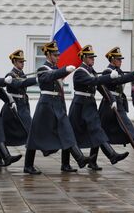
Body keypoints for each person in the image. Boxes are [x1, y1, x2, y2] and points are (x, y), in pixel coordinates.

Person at [24, 41, 92, 174]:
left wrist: (61, 70)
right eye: (55, 55)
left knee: (67, 131)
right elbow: (48, 77)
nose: (58, 57)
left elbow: (56, 77)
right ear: (48, 55)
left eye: (58, 55)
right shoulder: (43, 69)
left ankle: (77, 159)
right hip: (46, 105)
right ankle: (28, 165)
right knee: (35, 136)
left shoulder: (55, 69)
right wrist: (64, 70)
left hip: (57, 104)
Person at [69, 45, 129, 170]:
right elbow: (93, 82)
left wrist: (111, 99)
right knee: (71, 134)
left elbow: (101, 87)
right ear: (84, 58)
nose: (93, 59)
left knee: (97, 129)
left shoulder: (91, 71)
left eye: (93, 57)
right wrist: (108, 77)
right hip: (79, 105)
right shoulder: (80, 71)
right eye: (90, 57)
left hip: (90, 104)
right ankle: (65, 163)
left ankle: (111, 155)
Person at [99, 46, 134, 160]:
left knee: (128, 127)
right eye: (118, 59)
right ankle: (93, 160)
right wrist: (133, 74)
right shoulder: (107, 71)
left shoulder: (118, 71)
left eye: (121, 59)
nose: (121, 61)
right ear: (112, 60)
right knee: (100, 132)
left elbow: (121, 79)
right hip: (108, 103)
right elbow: (118, 80)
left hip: (118, 104)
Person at [0, 49, 36, 164]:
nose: (22, 64)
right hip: (12, 107)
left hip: (22, 106)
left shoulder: (21, 74)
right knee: (4, 134)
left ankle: (28, 164)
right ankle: (27, 165)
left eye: (23, 62)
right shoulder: (10, 75)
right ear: (14, 62)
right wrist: (36, 79)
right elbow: (19, 84)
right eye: (20, 62)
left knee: (31, 132)